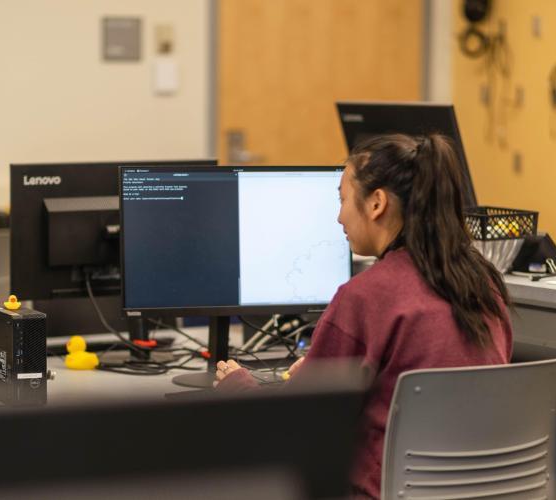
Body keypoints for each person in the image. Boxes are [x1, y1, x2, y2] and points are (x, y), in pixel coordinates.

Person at [215, 133, 513, 499]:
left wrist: (238, 385)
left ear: (376, 204)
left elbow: (294, 429)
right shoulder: (485, 286)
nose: (339, 215)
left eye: (342, 199)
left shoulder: (365, 297)